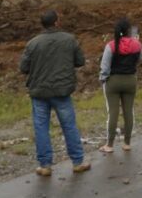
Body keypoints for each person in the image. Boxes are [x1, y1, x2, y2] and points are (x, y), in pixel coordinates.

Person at [19, 10, 91, 176]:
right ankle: (78, 162)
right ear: (57, 22)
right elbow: (80, 61)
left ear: (42, 24)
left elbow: (23, 68)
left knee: (41, 128)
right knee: (69, 126)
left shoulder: (32, 43)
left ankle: (45, 166)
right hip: (62, 91)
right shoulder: (69, 39)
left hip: (39, 92)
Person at [99, 18, 142, 153]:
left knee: (113, 113)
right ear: (129, 30)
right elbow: (139, 60)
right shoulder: (137, 45)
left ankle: (110, 145)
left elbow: (105, 67)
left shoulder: (111, 46)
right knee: (128, 111)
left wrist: (103, 79)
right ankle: (127, 143)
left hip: (113, 82)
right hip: (130, 80)